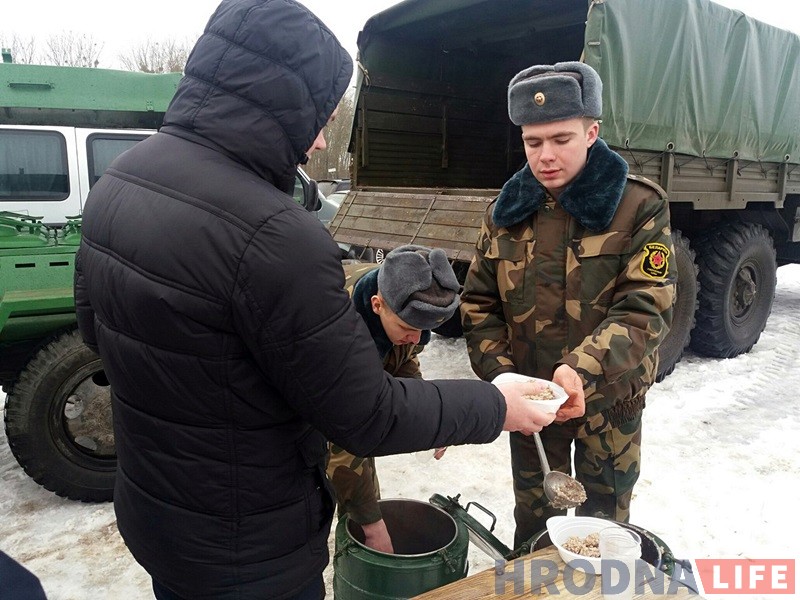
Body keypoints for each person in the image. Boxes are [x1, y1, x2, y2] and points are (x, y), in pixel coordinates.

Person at [73, 2, 556, 599]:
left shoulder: (118, 180)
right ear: (280, 100)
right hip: (250, 551)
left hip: (157, 518)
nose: (322, 136)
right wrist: (492, 403)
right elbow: (365, 415)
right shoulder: (275, 237)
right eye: (320, 117)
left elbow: (98, 335)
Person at [460, 61, 676, 548]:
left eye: (561, 139)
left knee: (606, 531)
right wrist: (503, 377)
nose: (546, 156)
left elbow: (647, 307)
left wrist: (582, 369)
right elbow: (478, 304)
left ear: (592, 132)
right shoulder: (504, 213)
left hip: (608, 402)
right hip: (533, 409)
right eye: (533, 142)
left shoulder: (638, 205)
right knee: (536, 524)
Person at [327, 245, 459, 554]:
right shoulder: (338, 331)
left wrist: (430, 416)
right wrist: (371, 525)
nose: (417, 339)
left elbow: (402, 363)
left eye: (423, 331)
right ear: (377, 305)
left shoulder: (405, 309)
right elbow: (344, 440)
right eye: (408, 329)